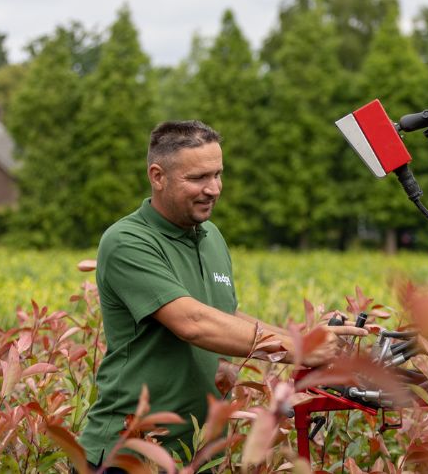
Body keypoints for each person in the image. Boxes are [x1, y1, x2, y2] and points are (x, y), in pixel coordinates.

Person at [78, 120, 364, 468]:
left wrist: (301, 339)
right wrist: (299, 350)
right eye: (198, 178)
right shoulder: (127, 241)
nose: (213, 188)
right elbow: (193, 323)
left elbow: (224, 314)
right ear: (157, 176)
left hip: (198, 451)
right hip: (130, 453)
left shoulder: (210, 235)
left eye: (218, 174)